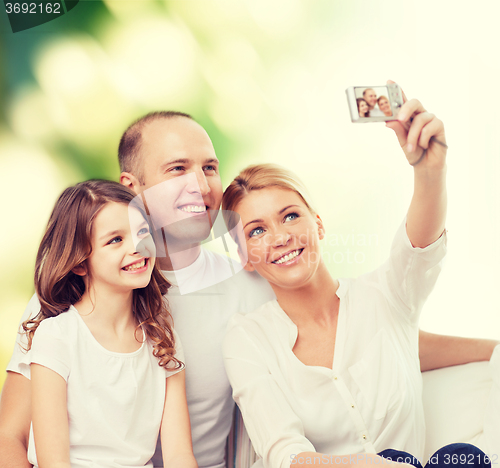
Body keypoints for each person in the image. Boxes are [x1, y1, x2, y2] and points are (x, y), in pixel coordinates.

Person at [1, 111, 498, 468]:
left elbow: (371, 337)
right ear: (132, 188)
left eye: (210, 167)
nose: (201, 182)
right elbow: (9, 438)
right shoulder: (66, 303)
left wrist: (491, 349)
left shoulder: (252, 289)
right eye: (177, 169)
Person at [221, 97, 493, 468]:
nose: (280, 237)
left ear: (318, 224)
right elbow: (285, 455)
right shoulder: (247, 339)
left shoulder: (385, 296)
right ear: (244, 257)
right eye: (256, 231)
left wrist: (430, 170)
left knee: (462, 459)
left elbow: (419, 248)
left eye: (290, 216)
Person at [18, 180, 196, 468]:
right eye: (115, 240)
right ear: (79, 263)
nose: (137, 247)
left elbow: (179, 454)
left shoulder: (162, 337)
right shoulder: (57, 337)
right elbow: (55, 462)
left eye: (142, 232)